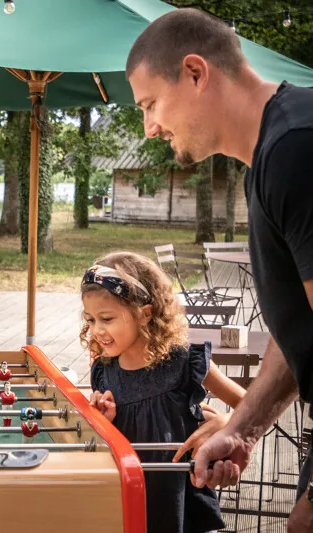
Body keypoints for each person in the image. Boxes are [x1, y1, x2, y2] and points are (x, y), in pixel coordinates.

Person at [126, 9, 313, 528]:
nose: (150, 128)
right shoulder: (270, 159)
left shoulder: (297, 148)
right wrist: (244, 428)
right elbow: (299, 328)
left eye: (151, 105)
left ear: (194, 72)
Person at [83, 253, 245, 533]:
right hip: (125, 505)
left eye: (106, 318)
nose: (97, 330)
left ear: (144, 313)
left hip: (182, 510)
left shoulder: (185, 362)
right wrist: (101, 421)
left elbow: (249, 406)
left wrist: (225, 423)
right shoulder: (103, 371)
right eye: (90, 319)